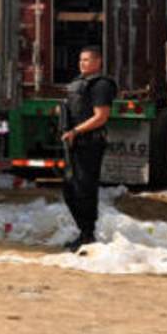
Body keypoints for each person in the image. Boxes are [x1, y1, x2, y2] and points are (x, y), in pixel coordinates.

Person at [59, 45, 118, 252]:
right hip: (74, 142)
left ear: (97, 62)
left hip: (89, 143)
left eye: (86, 60)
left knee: (84, 189)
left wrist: (76, 131)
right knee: (70, 189)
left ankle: (87, 234)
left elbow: (101, 116)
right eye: (80, 60)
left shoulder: (101, 85)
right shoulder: (78, 83)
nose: (82, 63)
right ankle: (83, 231)